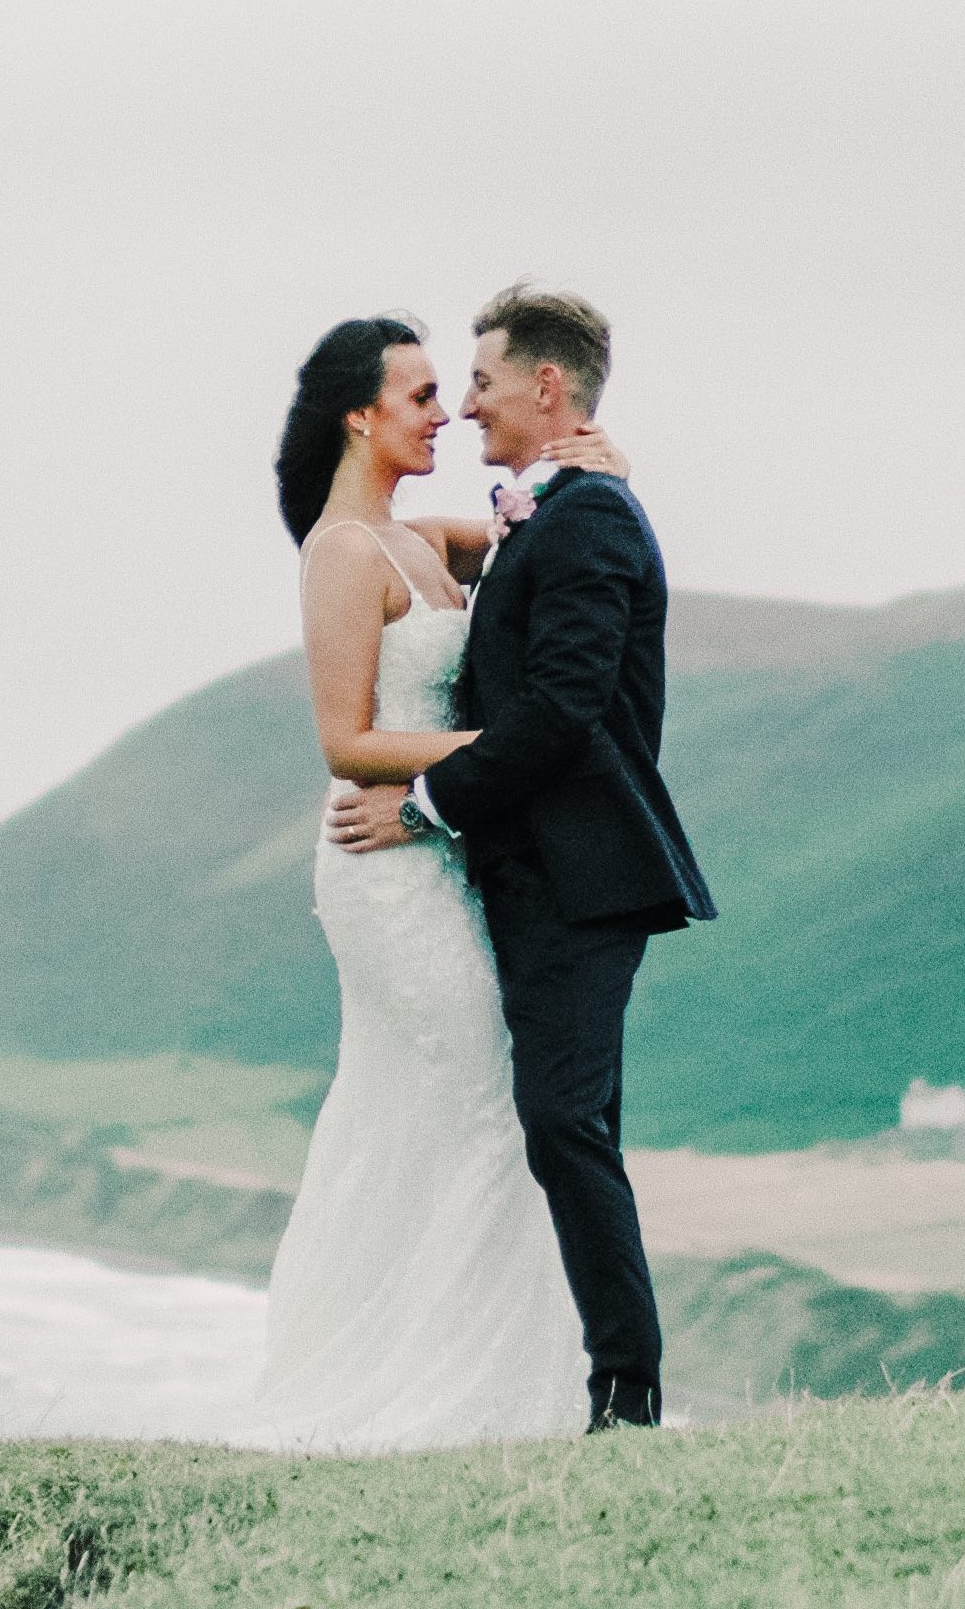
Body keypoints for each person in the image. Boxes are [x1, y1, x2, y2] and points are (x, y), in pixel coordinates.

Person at [327, 285, 716, 1434]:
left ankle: (624, 1391)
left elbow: (560, 714)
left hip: (583, 878)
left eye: (484, 381)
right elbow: (383, 532)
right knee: (567, 1119)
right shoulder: (550, 509)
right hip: (534, 870)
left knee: (560, 1123)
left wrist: (426, 804)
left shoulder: (588, 520)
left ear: (547, 387)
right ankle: (590, 1379)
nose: (471, 405)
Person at [254, 311, 626, 1453]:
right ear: (359, 415)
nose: (447, 414)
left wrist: (594, 461)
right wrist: (508, 750)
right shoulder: (340, 553)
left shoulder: (421, 540)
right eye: (420, 396)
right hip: (382, 864)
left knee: (454, 1102)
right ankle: (446, 1397)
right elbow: (343, 739)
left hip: (437, 851)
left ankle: (470, 1374)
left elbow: (543, 522)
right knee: (477, 1090)